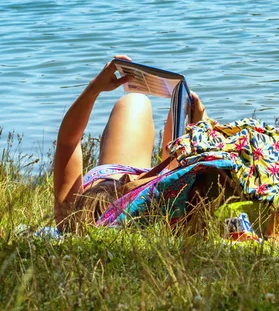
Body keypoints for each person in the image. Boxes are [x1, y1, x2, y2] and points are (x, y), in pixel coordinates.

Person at [53, 55, 206, 232]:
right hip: (151, 185)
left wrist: (94, 88)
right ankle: (186, 117)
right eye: (125, 183)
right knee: (138, 102)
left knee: (136, 101)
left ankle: (184, 116)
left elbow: (68, 142)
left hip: (143, 186)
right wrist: (198, 129)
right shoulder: (153, 209)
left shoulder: (71, 218)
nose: (126, 178)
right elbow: (67, 143)